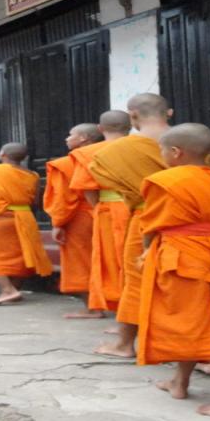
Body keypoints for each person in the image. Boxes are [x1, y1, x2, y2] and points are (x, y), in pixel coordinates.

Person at [138, 123, 210, 418]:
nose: (162, 155)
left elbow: (152, 226)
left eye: (162, 150)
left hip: (183, 255)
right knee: (197, 317)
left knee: (198, 323)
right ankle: (180, 381)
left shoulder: (165, 181)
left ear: (175, 152)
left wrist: (145, 252)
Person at [88, 94, 172, 358]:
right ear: (169, 113)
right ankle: (205, 354)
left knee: (136, 280)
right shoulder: (190, 141)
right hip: (188, 219)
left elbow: (108, 180)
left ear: (132, 115)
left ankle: (125, 344)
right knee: (186, 283)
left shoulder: (114, 151)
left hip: (146, 217)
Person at [0, 142, 53, 306]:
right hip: (24, 217)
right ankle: (14, 289)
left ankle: (8, 290)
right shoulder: (32, 174)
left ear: (2, 154)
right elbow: (35, 201)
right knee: (20, 254)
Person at [69, 110, 132, 318]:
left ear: (100, 129)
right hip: (142, 207)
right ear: (130, 126)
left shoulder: (88, 153)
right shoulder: (146, 147)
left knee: (113, 261)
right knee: (135, 260)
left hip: (110, 208)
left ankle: (125, 314)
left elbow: (87, 187)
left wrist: (99, 207)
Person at [43, 123, 103, 317]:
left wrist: (58, 223)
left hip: (81, 217)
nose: (66, 139)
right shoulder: (111, 154)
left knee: (82, 261)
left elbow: (64, 198)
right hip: (111, 212)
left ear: (84, 138)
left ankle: (92, 308)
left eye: (71, 135)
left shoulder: (69, 163)